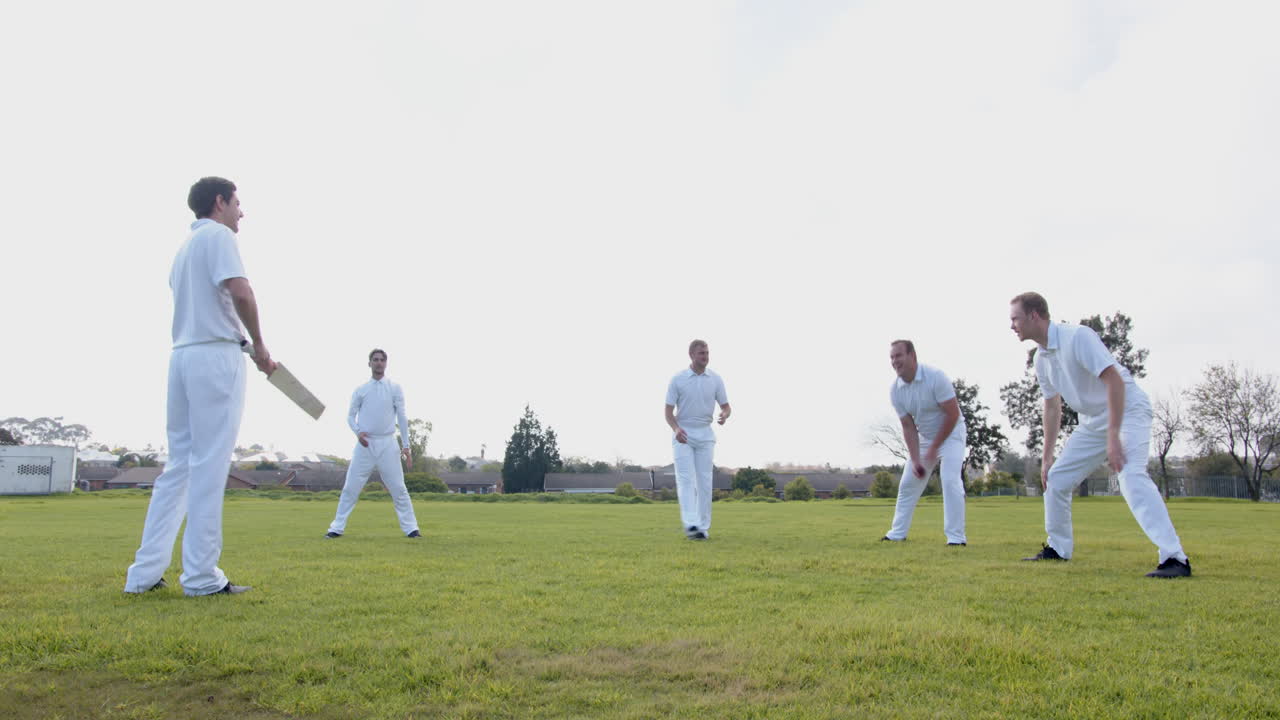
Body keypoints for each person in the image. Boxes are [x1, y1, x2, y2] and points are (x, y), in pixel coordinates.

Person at [124, 176, 274, 596]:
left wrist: (246, 342)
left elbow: (214, 305)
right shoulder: (219, 237)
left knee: (180, 467)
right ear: (219, 201)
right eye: (237, 203)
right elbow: (240, 293)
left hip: (183, 357)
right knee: (208, 467)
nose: (241, 212)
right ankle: (202, 578)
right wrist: (260, 344)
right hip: (213, 359)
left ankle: (143, 575)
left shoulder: (183, 250)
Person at [1009, 291, 1191, 578]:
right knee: (1056, 479)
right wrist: (1046, 458)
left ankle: (1175, 559)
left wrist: (1114, 436)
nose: (1012, 326)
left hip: (1127, 409)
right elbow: (1052, 407)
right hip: (1093, 421)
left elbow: (1114, 381)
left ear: (1034, 315)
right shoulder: (1041, 359)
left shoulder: (1077, 337)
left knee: (1130, 475)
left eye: (1015, 318)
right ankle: (1058, 549)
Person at [880, 340, 968, 545]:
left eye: (898, 356)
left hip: (952, 434)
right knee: (907, 484)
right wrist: (916, 459)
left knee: (949, 480)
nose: (894, 361)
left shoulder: (936, 377)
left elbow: (953, 414)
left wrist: (935, 448)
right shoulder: (896, 390)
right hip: (925, 439)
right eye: (892, 357)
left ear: (912, 355)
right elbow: (908, 427)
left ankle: (956, 538)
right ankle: (897, 534)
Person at [325, 349, 421, 538]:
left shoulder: (395, 388)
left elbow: (402, 417)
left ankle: (411, 529)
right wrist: (358, 433)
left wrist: (406, 446)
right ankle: (336, 528)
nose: (378, 363)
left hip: (388, 443)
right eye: (375, 360)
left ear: (386, 363)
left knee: (399, 488)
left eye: (382, 360)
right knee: (350, 487)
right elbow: (351, 416)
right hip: (365, 444)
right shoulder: (361, 390)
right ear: (369, 363)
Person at [664, 340, 731, 540]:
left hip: (705, 435)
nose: (706, 356)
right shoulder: (678, 379)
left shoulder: (716, 379)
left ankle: (702, 528)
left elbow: (726, 406)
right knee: (686, 480)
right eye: (702, 353)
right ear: (691, 354)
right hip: (683, 434)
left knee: (704, 482)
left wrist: (724, 415)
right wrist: (676, 429)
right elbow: (668, 412)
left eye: (707, 353)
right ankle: (691, 524)